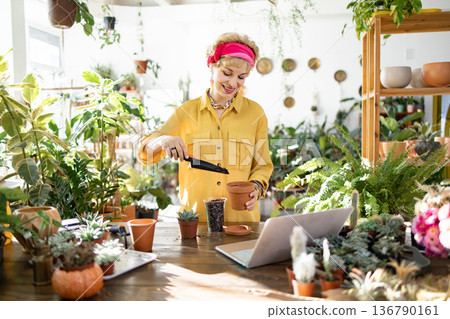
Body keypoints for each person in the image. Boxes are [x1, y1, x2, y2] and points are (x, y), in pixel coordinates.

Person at [138, 32, 273, 222]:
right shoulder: (186, 112)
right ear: (212, 68)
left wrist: (256, 188)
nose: (233, 83)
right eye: (227, 73)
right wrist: (162, 140)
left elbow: (262, 165)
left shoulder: (255, 113)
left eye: (241, 77)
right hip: (196, 221)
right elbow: (146, 153)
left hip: (241, 220)